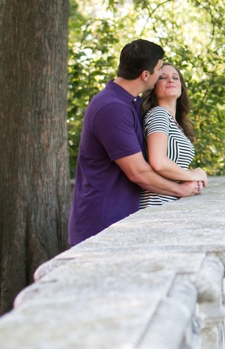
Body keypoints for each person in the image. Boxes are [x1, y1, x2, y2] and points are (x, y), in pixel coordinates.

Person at [68, 40, 203, 245]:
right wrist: (181, 188)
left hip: (124, 220)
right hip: (102, 224)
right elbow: (138, 171)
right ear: (145, 75)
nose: (162, 75)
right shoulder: (111, 108)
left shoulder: (131, 104)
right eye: (159, 70)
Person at [140, 63, 208, 208]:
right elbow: (158, 162)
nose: (170, 80)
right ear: (153, 86)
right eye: (162, 77)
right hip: (156, 206)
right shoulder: (158, 114)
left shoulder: (176, 124)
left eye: (175, 78)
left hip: (171, 205)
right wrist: (192, 175)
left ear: (182, 87)